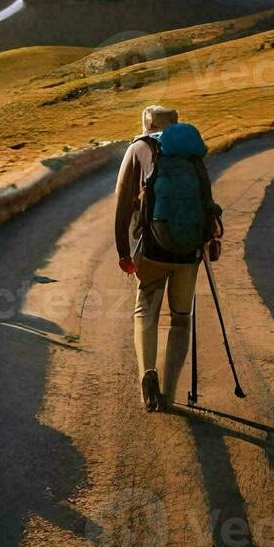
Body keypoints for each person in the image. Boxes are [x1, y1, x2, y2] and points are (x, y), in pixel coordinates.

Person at [113, 104, 218, 412]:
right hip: (188, 251)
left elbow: (122, 203)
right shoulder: (191, 152)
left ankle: (148, 371)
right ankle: (170, 392)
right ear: (175, 123)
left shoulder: (139, 148)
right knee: (181, 319)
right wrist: (208, 240)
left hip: (151, 248)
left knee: (146, 309)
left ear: (146, 124)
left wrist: (123, 251)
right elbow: (207, 200)